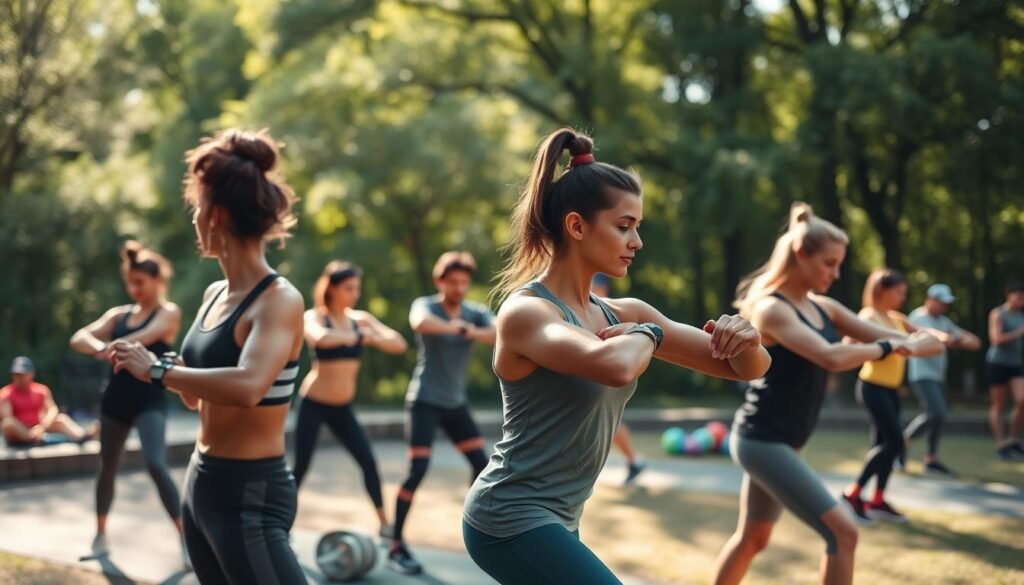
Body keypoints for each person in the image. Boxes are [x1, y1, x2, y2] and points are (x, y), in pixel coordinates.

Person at [461, 128, 771, 585]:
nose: (637, 242)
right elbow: (615, 365)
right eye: (624, 226)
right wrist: (650, 333)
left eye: (637, 228)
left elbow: (746, 370)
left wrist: (748, 339)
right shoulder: (526, 313)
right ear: (577, 226)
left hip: (561, 516)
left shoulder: (624, 314)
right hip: (509, 517)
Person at [110, 128, 307, 583]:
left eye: (197, 207)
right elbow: (198, 399)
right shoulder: (215, 293)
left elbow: (248, 386)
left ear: (215, 215)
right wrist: (175, 373)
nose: (194, 217)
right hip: (202, 484)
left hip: (250, 492)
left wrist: (158, 370)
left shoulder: (278, 299)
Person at [712, 203, 936, 585]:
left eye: (839, 265)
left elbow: (913, 341)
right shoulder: (772, 310)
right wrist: (891, 347)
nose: (835, 274)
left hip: (788, 440)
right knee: (844, 532)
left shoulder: (824, 307)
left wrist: (920, 340)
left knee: (753, 538)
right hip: (761, 439)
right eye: (829, 264)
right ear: (801, 255)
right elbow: (830, 356)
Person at [69, 241, 184, 562]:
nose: (134, 289)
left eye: (140, 282)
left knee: (156, 465)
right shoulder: (119, 314)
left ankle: (186, 538)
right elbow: (78, 336)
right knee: (107, 468)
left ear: (157, 281)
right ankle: (100, 536)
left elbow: (144, 339)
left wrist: (112, 345)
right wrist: (96, 347)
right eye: (129, 282)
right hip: (115, 400)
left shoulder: (169, 313)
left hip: (149, 399)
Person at [389, 250, 496, 575]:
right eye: (453, 282)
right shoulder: (427, 305)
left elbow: (497, 333)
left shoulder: (475, 312)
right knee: (418, 468)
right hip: (424, 401)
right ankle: (396, 544)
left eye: (464, 282)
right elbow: (419, 322)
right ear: (440, 282)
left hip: (455, 404)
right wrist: (457, 329)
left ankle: (475, 529)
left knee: (482, 465)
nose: (460, 288)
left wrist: (470, 330)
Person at [293, 260, 407, 535]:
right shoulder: (316, 316)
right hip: (313, 404)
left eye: (357, 288)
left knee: (367, 461)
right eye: (349, 288)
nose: (355, 294)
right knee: (301, 467)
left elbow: (398, 343)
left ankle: (384, 523)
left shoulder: (361, 320)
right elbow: (319, 338)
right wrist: (355, 337)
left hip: (343, 407)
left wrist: (371, 337)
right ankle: (281, 523)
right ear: (331, 289)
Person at [841, 270, 941, 524]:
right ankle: (851, 495)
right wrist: (872, 348)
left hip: (891, 390)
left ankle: (877, 500)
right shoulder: (868, 316)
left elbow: (925, 335)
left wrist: (940, 338)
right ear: (881, 291)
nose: (901, 297)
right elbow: (847, 345)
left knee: (883, 445)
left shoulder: (897, 318)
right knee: (895, 443)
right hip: (872, 387)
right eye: (898, 292)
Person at [902, 283, 981, 475]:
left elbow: (974, 342)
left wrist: (958, 339)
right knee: (935, 412)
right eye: (942, 302)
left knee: (939, 416)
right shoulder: (917, 316)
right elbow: (931, 336)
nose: (945, 306)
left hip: (937, 376)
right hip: (921, 374)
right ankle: (902, 442)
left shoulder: (944, 321)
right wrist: (950, 338)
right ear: (931, 299)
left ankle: (931, 459)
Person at [592, 273, 645, 484]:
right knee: (608, 422)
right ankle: (633, 461)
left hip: (603, 375)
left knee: (609, 422)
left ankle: (633, 461)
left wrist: (648, 334)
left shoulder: (606, 310)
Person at [1, 356, 95, 446]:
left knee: (61, 419)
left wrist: (42, 426)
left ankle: (80, 436)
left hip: (39, 426)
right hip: (19, 431)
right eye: (16, 375)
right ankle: (32, 438)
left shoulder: (41, 390)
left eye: (22, 375)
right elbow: (7, 416)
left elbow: (52, 409)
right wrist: (29, 432)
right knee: (8, 424)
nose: (19, 378)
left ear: (31, 374)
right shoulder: (5, 393)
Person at [986, 282, 1024, 460]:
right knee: (999, 405)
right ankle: (1001, 445)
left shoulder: (1021, 316)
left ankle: (1014, 440)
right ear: (1009, 295)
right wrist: (1019, 332)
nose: (1022, 300)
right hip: (997, 363)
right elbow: (996, 339)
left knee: (1022, 400)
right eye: (1019, 296)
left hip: (1015, 363)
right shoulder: (998, 314)